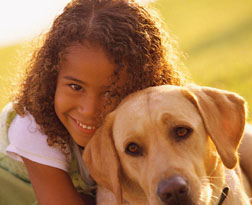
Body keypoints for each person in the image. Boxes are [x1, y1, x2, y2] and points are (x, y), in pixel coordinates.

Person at [0, 0, 251, 204]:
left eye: (181, 132)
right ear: (50, 79)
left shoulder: (153, 109)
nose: (89, 109)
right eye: (134, 148)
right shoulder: (31, 129)